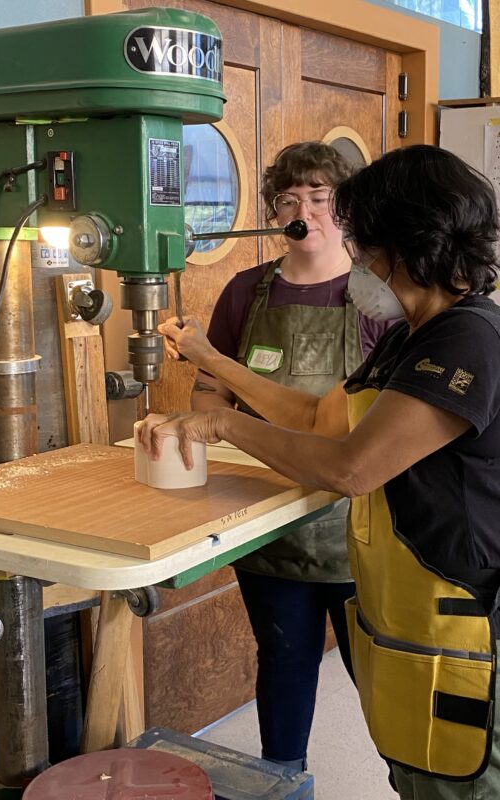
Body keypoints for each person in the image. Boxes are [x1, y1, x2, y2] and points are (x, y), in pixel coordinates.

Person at [138, 144, 500, 799]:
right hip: (409, 612)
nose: (355, 256)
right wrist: (213, 366)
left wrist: (224, 424)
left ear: (404, 242)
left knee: (460, 779)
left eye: (362, 239)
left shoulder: (467, 337)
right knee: (417, 770)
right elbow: (318, 419)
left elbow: (351, 466)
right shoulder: (410, 332)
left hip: (460, 617)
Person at [190, 141, 392, 772]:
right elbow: (209, 386)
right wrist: (199, 421)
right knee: (282, 658)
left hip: (356, 522)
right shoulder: (246, 291)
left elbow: (343, 424)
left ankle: (418, 779)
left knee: (384, 678)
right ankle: (281, 781)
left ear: (349, 209)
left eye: (322, 196)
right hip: (265, 517)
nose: (305, 209)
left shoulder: (377, 299)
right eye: (289, 197)